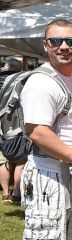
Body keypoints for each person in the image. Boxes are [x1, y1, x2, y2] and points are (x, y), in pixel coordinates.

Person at [19, 19, 72, 240]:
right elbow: (37, 131)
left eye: (70, 41)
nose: (63, 46)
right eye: (56, 41)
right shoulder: (40, 83)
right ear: (46, 45)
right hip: (48, 174)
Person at [0, 58, 24, 204]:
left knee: (3, 161)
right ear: (19, 68)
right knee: (21, 160)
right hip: (15, 124)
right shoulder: (21, 81)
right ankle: (16, 193)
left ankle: (5, 193)